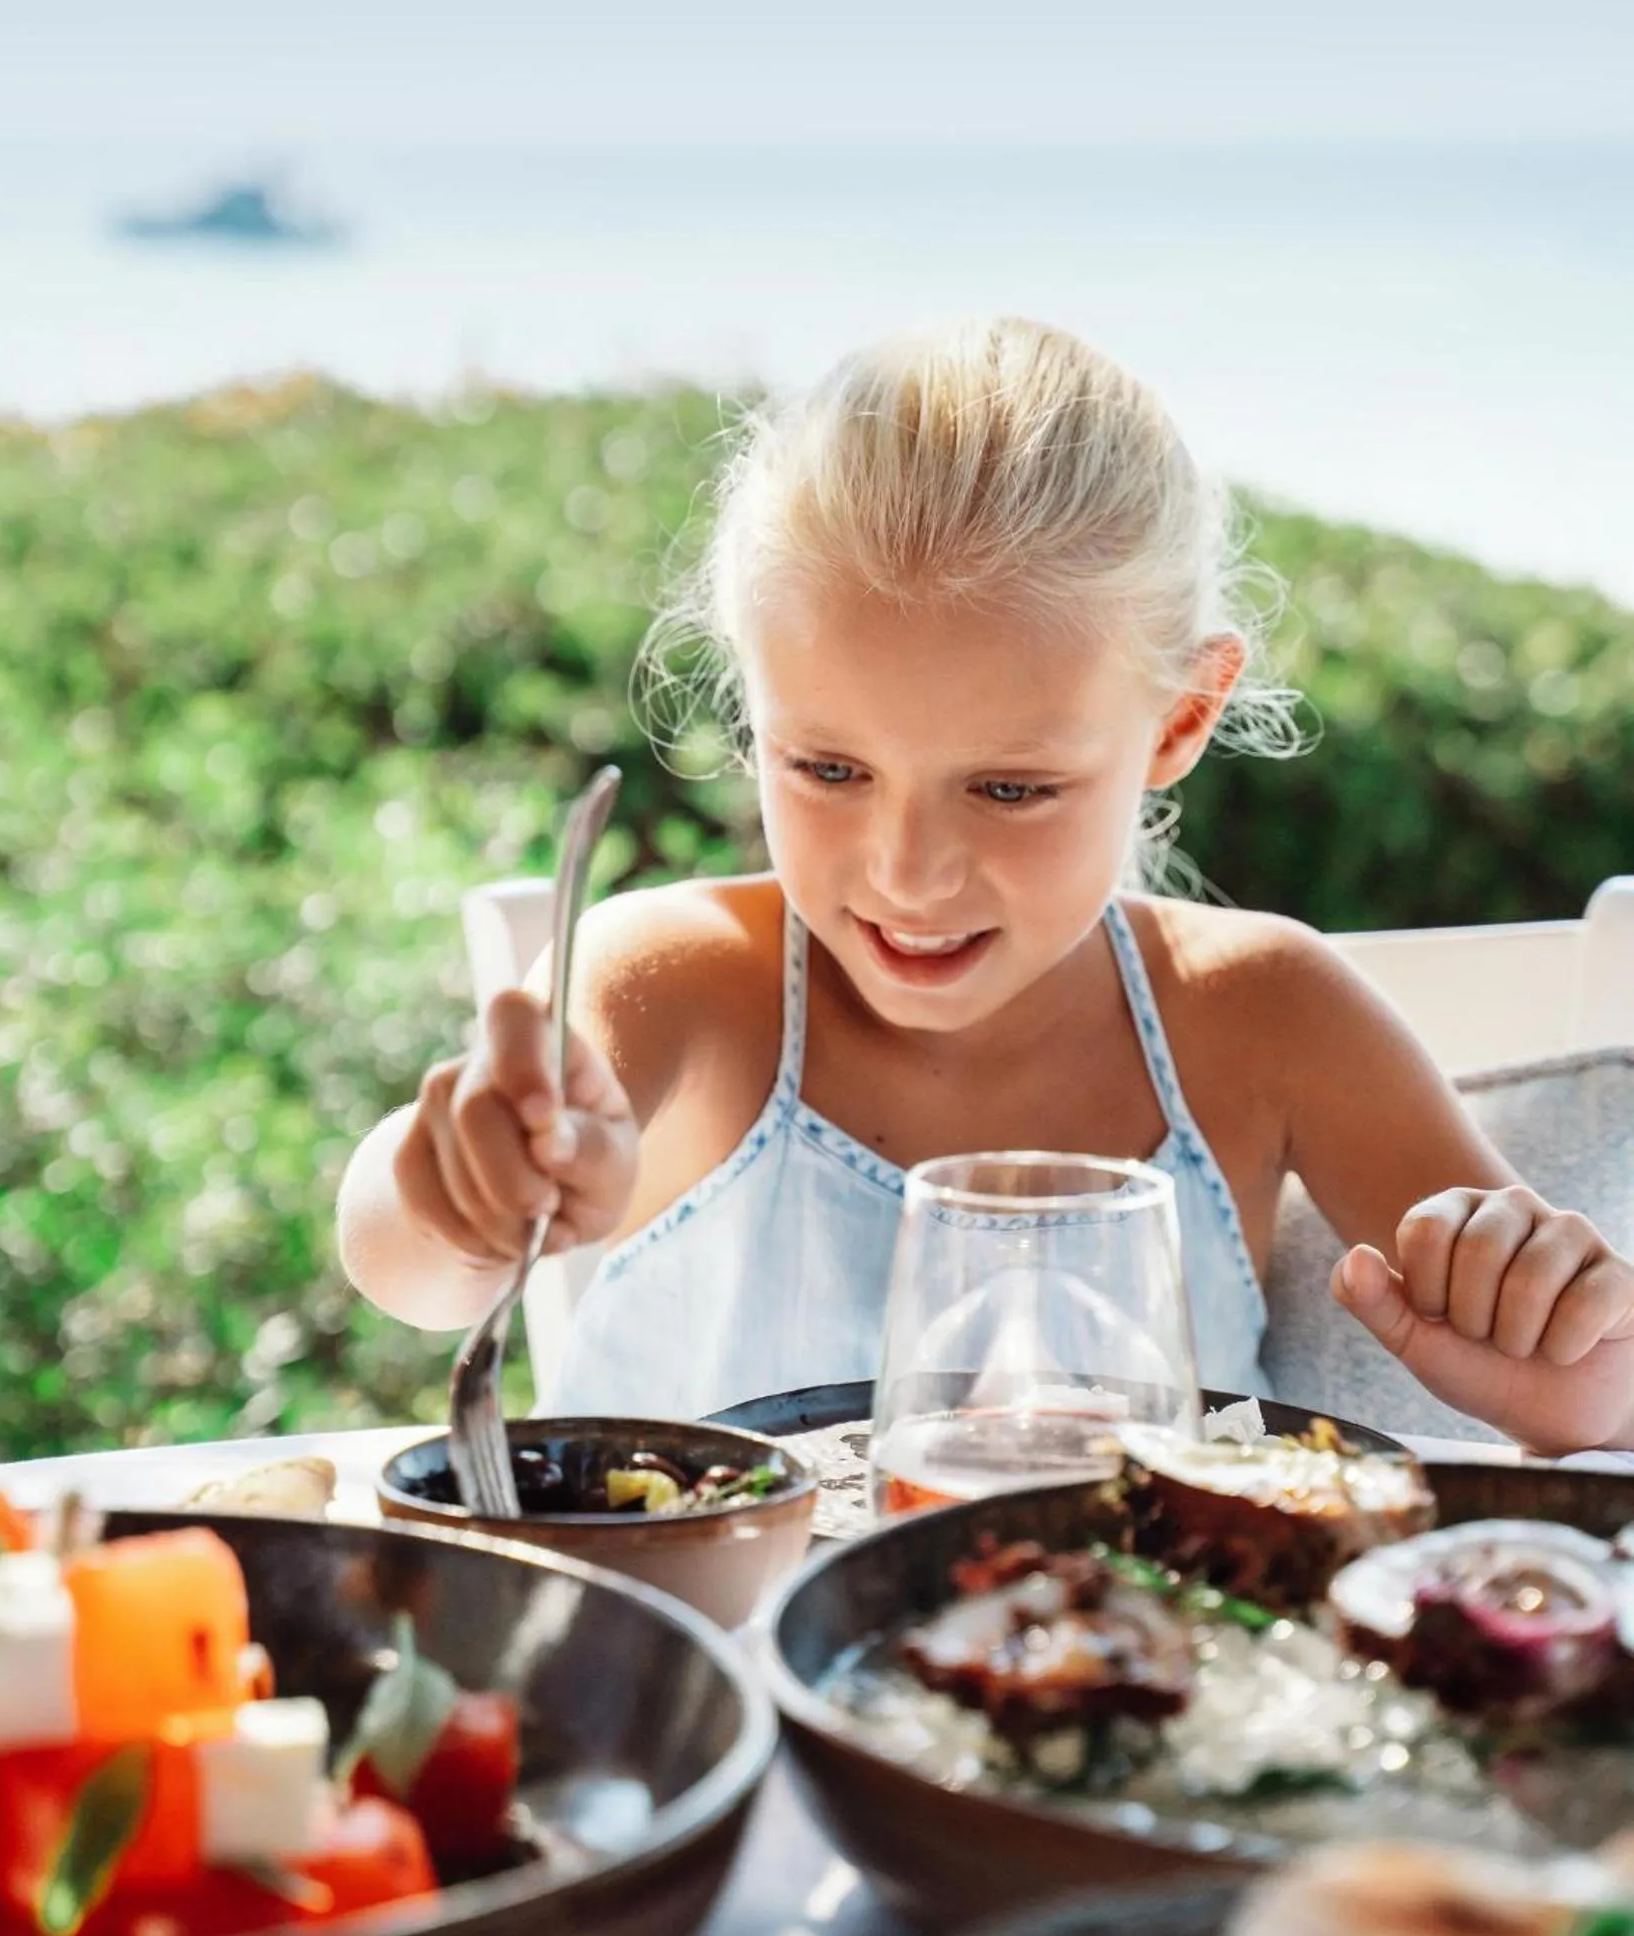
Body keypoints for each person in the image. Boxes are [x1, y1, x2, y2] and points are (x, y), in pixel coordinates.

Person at [336, 319, 1634, 1453]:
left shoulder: (1265, 1018)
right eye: (827, 766)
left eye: (1008, 790)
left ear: (1179, 719)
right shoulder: (681, 988)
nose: (904, 873)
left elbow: (1582, 1392)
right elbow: (412, 1268)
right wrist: (459, 1193)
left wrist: (1564, 1351)